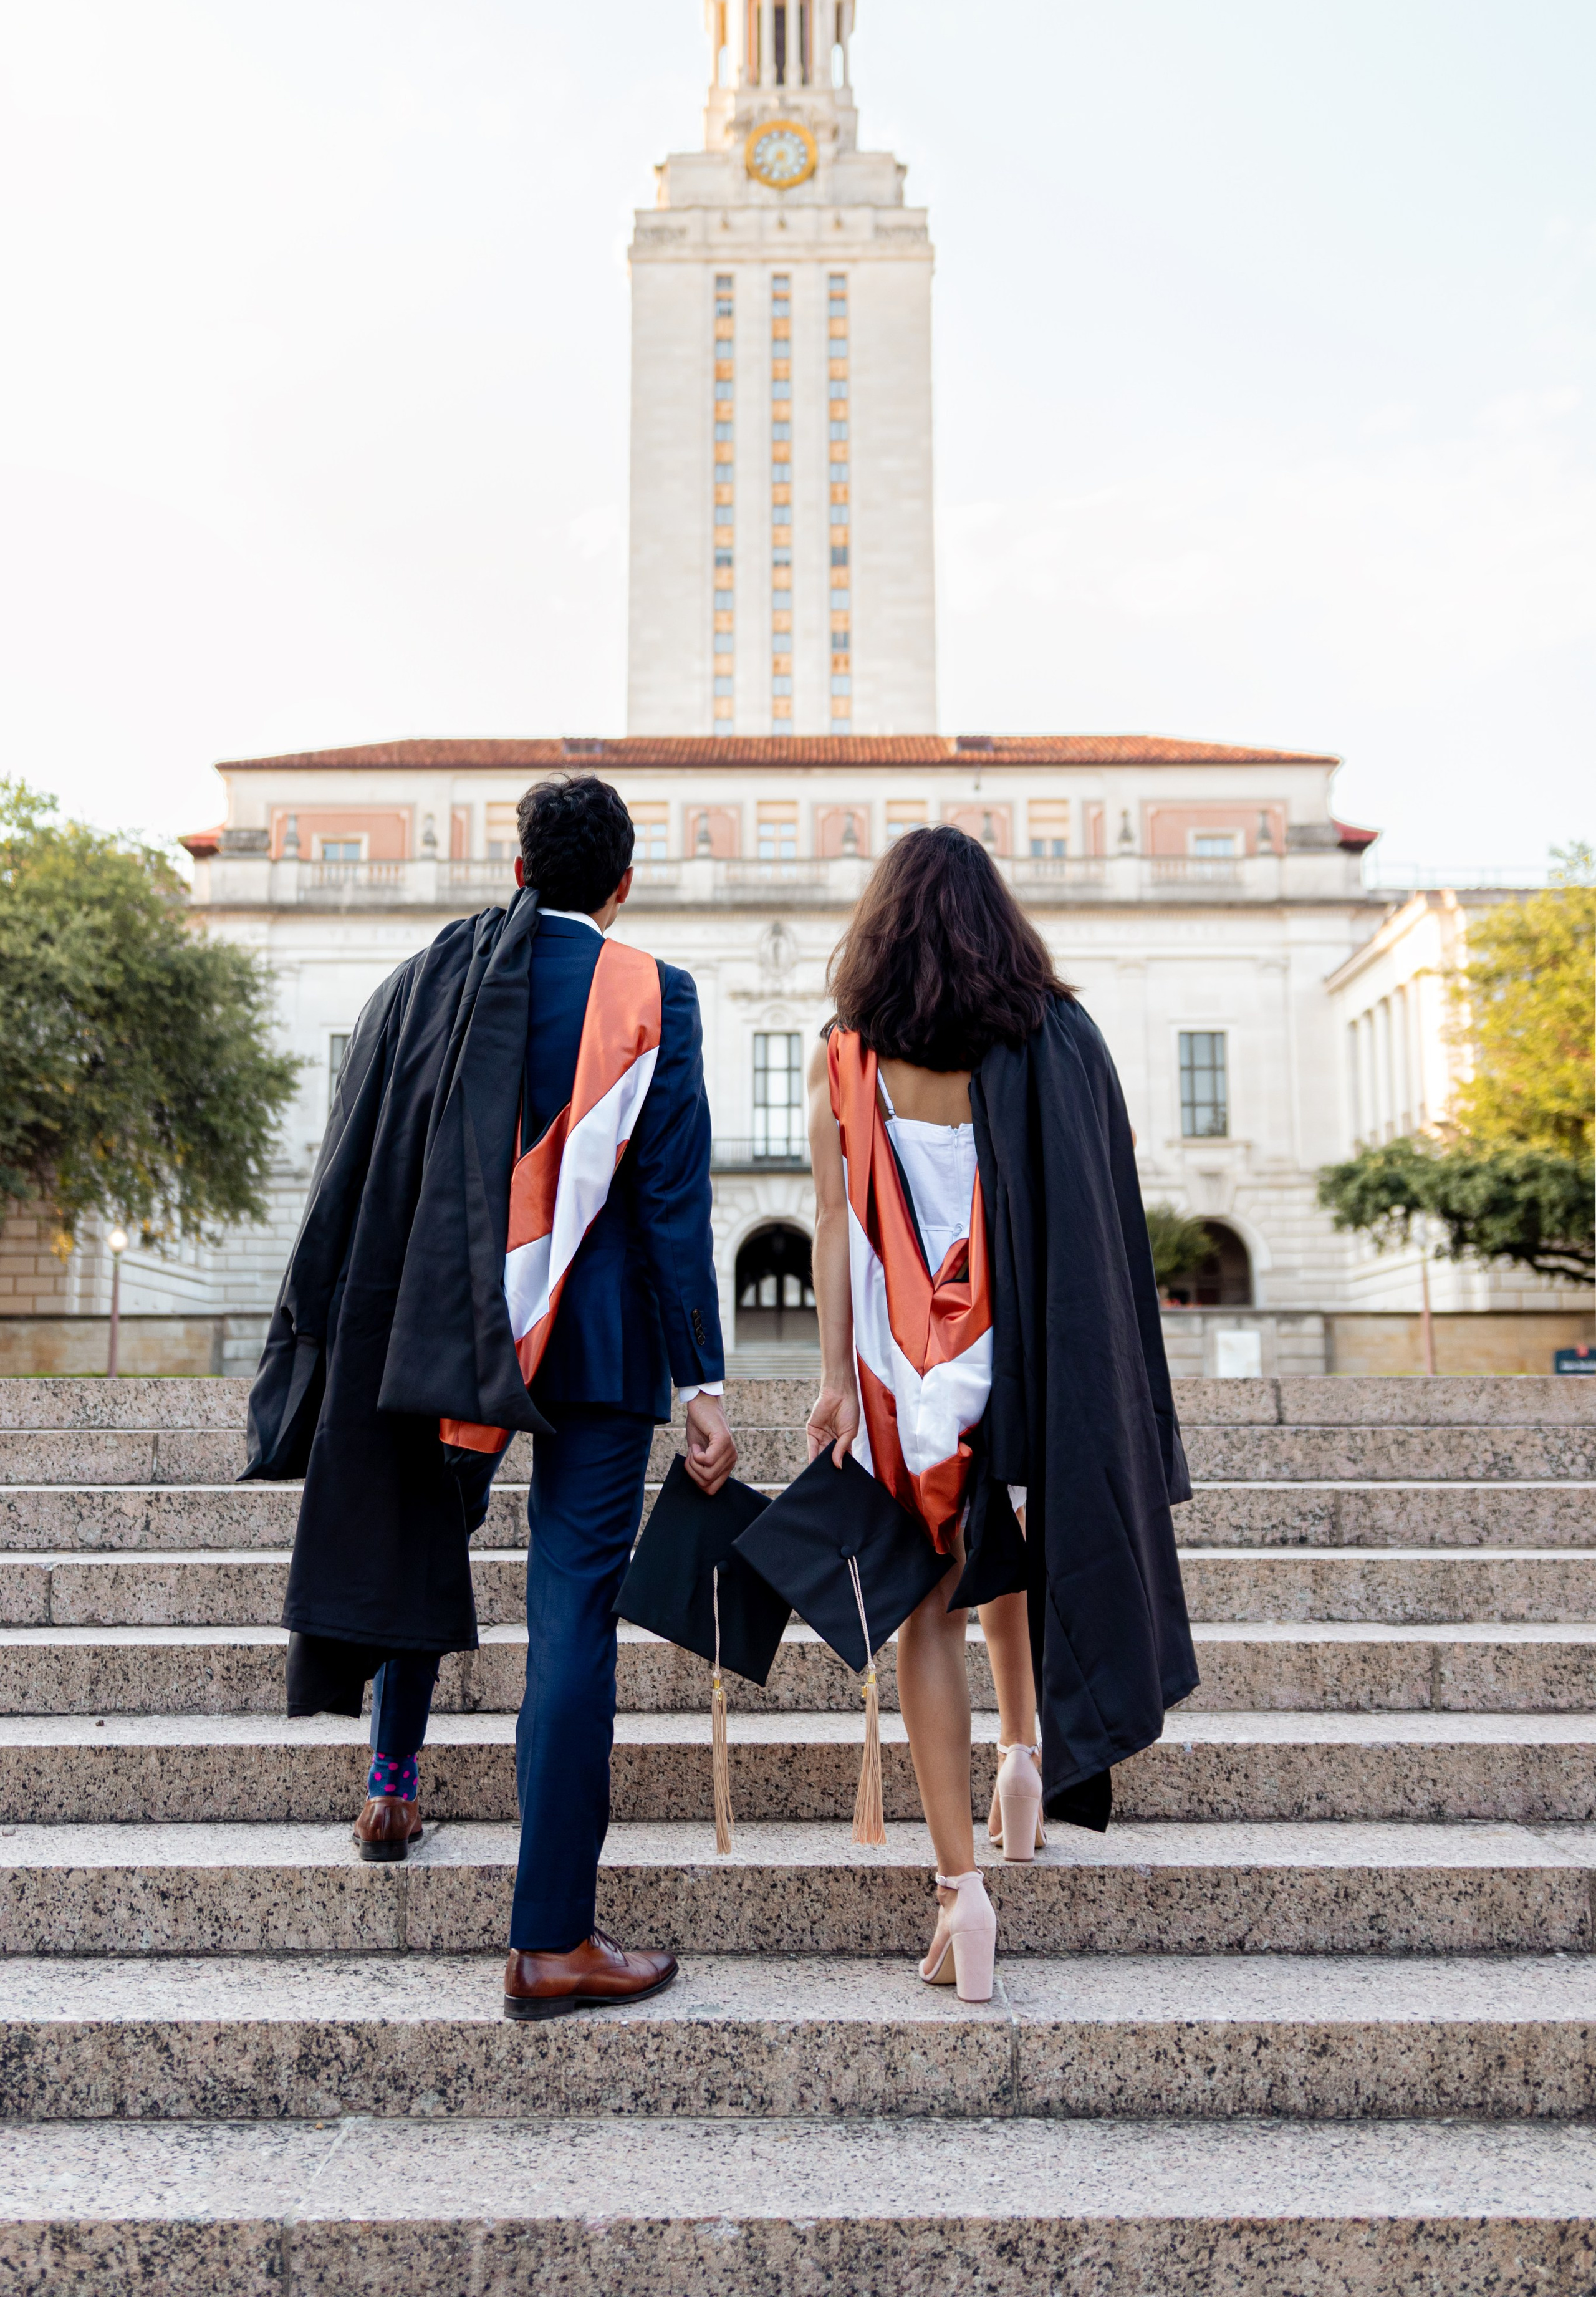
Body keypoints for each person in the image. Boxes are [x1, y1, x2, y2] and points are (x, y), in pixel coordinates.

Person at [246, 774, 736, 2022]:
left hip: (446, 1331)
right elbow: (675, 1205)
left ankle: (393, 1779)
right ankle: (549, 1938)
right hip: (602, 1350)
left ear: (521, 871)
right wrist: (703, 1379)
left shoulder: (427, 982)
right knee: (572, 1617)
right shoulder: (651, 993)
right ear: (621, 885)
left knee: (423, 1538)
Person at [805, 824, 1197, 2003]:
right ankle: (1023, 1759)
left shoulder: (845, 1056)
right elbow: (1093, 1196)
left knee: (925, 1605)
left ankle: (959, 1892)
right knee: (1008, 1547)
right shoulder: (1050, 1040)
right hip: (1011, 1345)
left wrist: (832, 1380)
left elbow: (834, 1228)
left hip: (896, 1362)